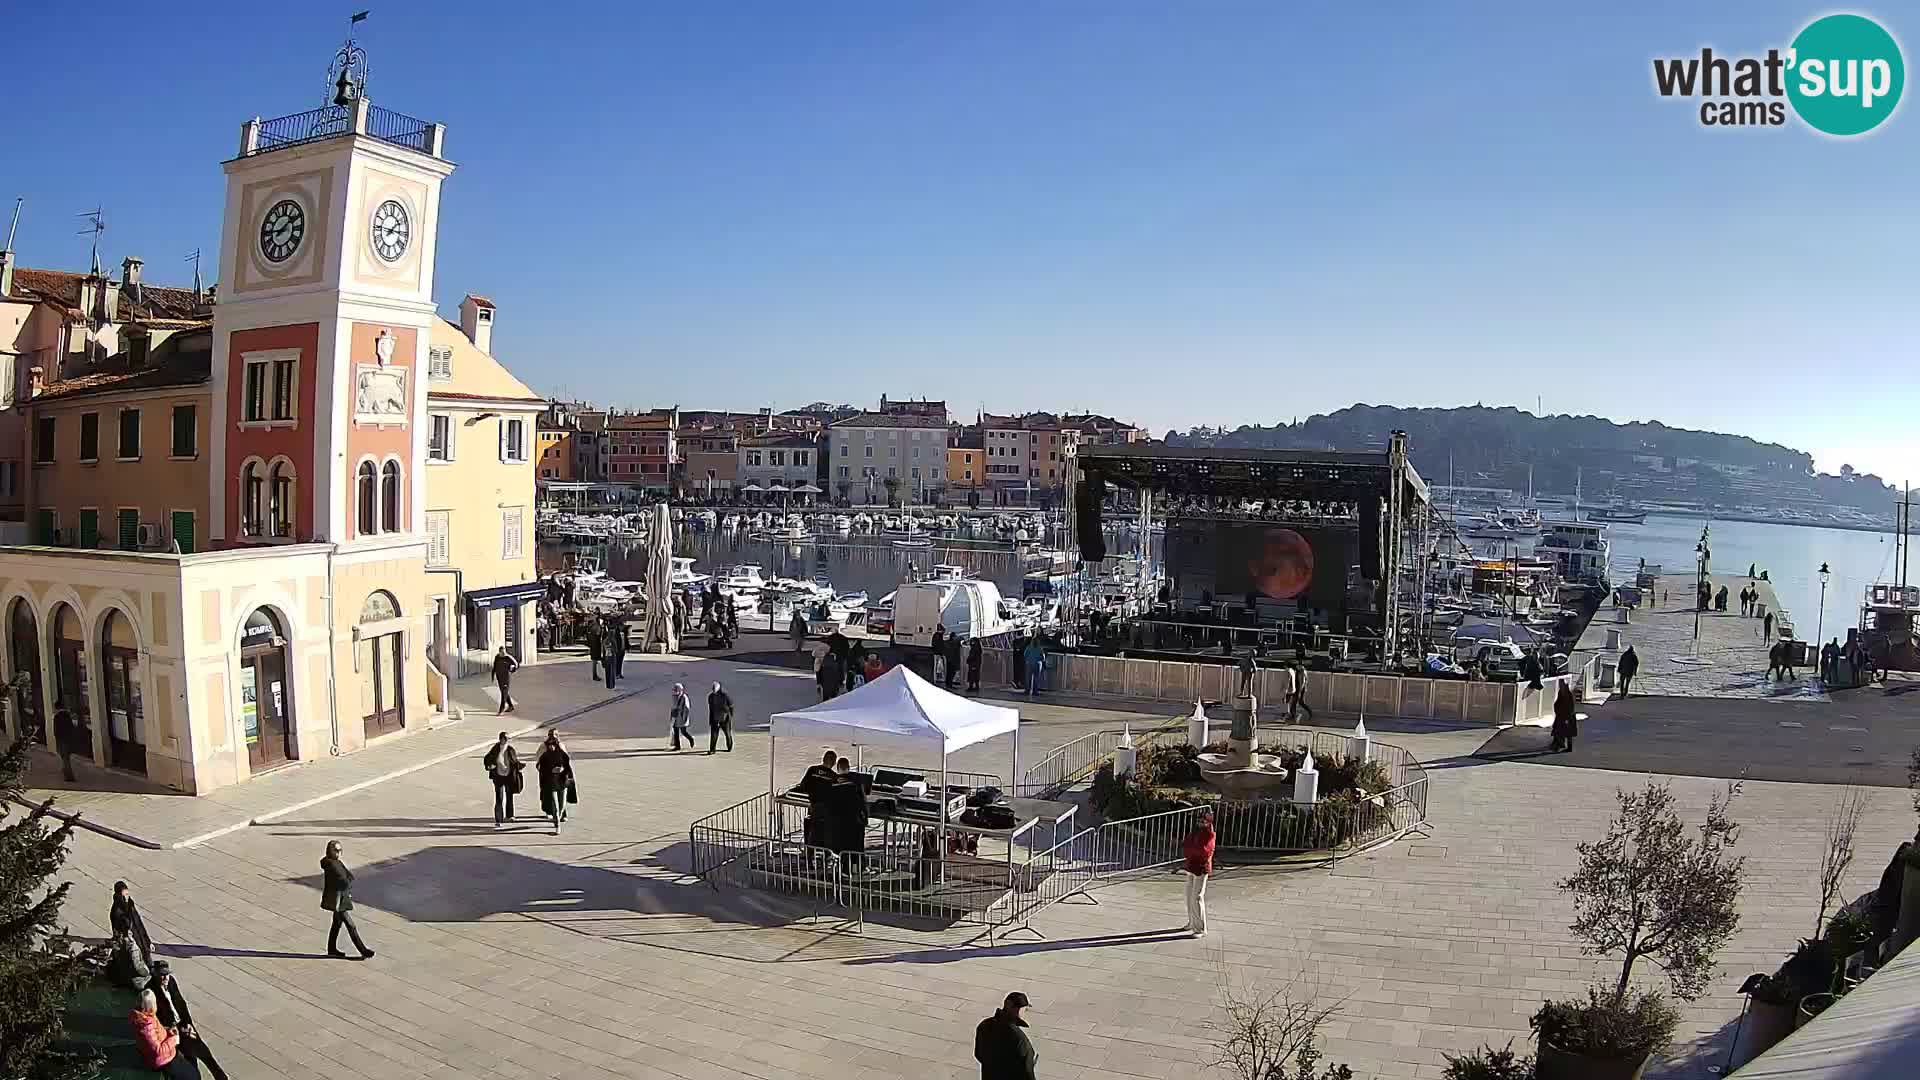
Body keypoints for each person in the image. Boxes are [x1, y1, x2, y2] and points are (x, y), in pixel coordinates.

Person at [148, 961, 228, 1080]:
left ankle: (221, 1077)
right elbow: (155, 1016)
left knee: (203, 1052)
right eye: (162, 975)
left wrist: (189, 1024)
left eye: (167, 974)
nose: (165, 978)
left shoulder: (171, 982)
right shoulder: (151, 989)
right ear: (155, 974)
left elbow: (181, 1003)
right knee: (189, 1056)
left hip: (183, 1024)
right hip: (172, 1030)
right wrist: (171, 1029)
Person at [131, 987, 202, 1079]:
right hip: (164, 1060)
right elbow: (158, 1051)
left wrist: (168, 1031)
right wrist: (174, 1039)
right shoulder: (146, 1027)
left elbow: (156, 1034)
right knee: (193, 1076)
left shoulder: (145, 1018)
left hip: (167, 1053)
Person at [320, 840, 374, 960]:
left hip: (340, 897)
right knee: (351, 925)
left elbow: (348, 876)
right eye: (336, 850)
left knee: (336, 924)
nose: (339, 853)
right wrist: (346, 883)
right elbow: (344, 879)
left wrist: (347, 881)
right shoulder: (332, 864)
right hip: (338, 899)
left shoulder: (335, 862)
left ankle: (332, 949)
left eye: (340, 850)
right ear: (330, 850)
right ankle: (363, 950)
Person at [974, 992, 1039, 1080]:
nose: (1025, 1012)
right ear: (1017, 1009)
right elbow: (1027, 1072)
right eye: (1025, 1009)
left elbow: (979, 1054)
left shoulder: (985, 1025)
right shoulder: (1019, 1039)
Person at [109, 880, 153, 987]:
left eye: (127, 894)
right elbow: (119, 930)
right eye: (124, 895)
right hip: (129, 942)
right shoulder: (116, 911)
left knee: (146, 962)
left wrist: (148, 941)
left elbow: (140, 925)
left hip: (139, 940)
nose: (126, 898)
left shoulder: (130, 906)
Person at [829, 757, 869, 870]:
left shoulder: (833, 780)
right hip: (855, 820)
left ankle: (845, 869)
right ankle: (861, 868)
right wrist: (866, 817)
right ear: (848, 767)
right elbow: (863, 800)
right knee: (858, 845)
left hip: (840, 820)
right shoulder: (857, 779)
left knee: (843, 845)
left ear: (838, 768)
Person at [1182, 811, 1215, 938]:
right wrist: (1191, 851)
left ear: (1208, 822)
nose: (1200, 823)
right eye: (1199, 821)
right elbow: (1186, 845)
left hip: (1201, 868)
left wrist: (1192, 850)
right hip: (1191, 865)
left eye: (1203, 822)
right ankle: (1192, 922)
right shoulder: (1195, 832)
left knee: (1197, 897)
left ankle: (1201, 928)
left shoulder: (1210, 834)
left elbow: (1204, 851)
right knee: (1189, 895)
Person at [537, 733, 574, 834]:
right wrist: (551, 770)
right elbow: (540, 769)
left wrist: (562, 769)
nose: (551, 746)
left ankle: (558, 817)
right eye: (549, 745)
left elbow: (567, 766)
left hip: (562, 783)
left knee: (562, 805)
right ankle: (557, 825)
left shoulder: (562, 754)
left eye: (553, 744)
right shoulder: (544, 756)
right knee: (555, 806)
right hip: (551, 784)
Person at [483, 732, 521, 826]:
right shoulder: (495, 749)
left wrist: (519, 766)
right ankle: (498, 820)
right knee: (499, 798)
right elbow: (487, 758)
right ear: (501, 739)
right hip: (498, 776)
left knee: (509, 796)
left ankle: (510, 815)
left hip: (508, 776)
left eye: (508, 738)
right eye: (505, 738)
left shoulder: (510, 749)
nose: (507, 740)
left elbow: (514, 761)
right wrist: (489, 766)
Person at [52, 706, 80, 782]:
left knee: (65, 758)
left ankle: (68, 776)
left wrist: (57, 739)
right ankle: (65, 771)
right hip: (68, 739)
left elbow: (56, 730)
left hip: (61, 740)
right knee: (66, 757)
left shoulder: (57, 716)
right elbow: (72, 728)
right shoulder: (67, 716)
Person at [1549, 682, 1579, 753]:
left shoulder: (1568, 695)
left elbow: (1570, 707)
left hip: (1566, 716)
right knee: (1562, 732)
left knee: (1566, 733)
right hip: (1562, 715)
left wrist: (1567, 717)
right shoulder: (1563, 693)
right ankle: (1560, 745)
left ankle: (1565, 746)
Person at [707, 680, 734, 753]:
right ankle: (712, 750)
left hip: (725, 718)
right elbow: (711, 709)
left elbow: (731, 705)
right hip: (715, 718)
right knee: (714, 735)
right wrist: (710, 719)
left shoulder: (725, 696)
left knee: (727, 733)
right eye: (713, 688)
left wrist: (730, 715)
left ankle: (729, 747)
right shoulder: (710, 697)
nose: (713, 690)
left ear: (718, 688)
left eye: (714, 688)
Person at [492, 646, 519, 714]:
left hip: (506, 678)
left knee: (504, 693)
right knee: (504, 692)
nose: (503, 654)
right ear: (499, 652)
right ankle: (511, 706)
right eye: (502, 652)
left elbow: (516, 664)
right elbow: (494, 666)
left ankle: (502, 708)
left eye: (504, 652)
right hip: (499, 678)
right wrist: (492, 675)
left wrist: (512, 670)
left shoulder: (508, 657)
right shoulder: (497, 657)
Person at [668, 683, 694, 750]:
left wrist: (684, 718)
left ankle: (691, 739)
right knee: (675, 731)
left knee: (683, 732)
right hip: (676, 717)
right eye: (674, 689)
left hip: (682, 718)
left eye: (676, 689)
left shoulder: (684, 697)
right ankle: (677, 746)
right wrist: (672, 715)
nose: (675, 691)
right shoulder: (675, 697)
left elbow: (687, 708)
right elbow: (673, 707)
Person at [1288, 659, 1314, 724]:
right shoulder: (1302, 671)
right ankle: (1309, 713)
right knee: (1300, 702)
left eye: (1297, 665)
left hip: (1299, 689)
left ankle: (1293, 716)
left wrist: (1299, 691)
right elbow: (1305, 681)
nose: (1296, 666)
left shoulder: (1301, 671)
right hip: (1300, 689)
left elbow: (1302, 682)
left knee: (1294, 703)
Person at [584, 618, 603, 683]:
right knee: (595, 661)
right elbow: (598, 633)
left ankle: (595, 675)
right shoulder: (595, 626)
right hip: (595, 645)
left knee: (594, 661)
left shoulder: (591, 627)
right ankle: (594, 675)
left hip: (593, 645)